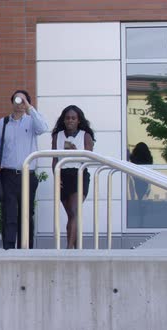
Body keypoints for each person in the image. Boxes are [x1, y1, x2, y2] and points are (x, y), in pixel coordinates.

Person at [0, 90, 48, 249]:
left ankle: (26, 248)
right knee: (9, 213)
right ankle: (8, 248)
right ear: (12, 102)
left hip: (28, 176)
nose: (20, 103)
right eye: (17, 100)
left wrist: (29, 107)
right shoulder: (3, 123)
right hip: (8, 175)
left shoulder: (31, 122)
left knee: (26, 214)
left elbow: (43, 128)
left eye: (23, 101)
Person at [51, 105, 95, 249]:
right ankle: (76, 249)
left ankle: (69, 247)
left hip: (79, 174)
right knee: (70, 214)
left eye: (73, 118)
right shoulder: (57, 136)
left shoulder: (85, 136)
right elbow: (54, 159)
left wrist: (77, 151)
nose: (70, 120)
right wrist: (56, 177)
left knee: (75, 211)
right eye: (67, 118)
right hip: (63, 175)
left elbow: (89, 158)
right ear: (63, 120)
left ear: (78, 121)